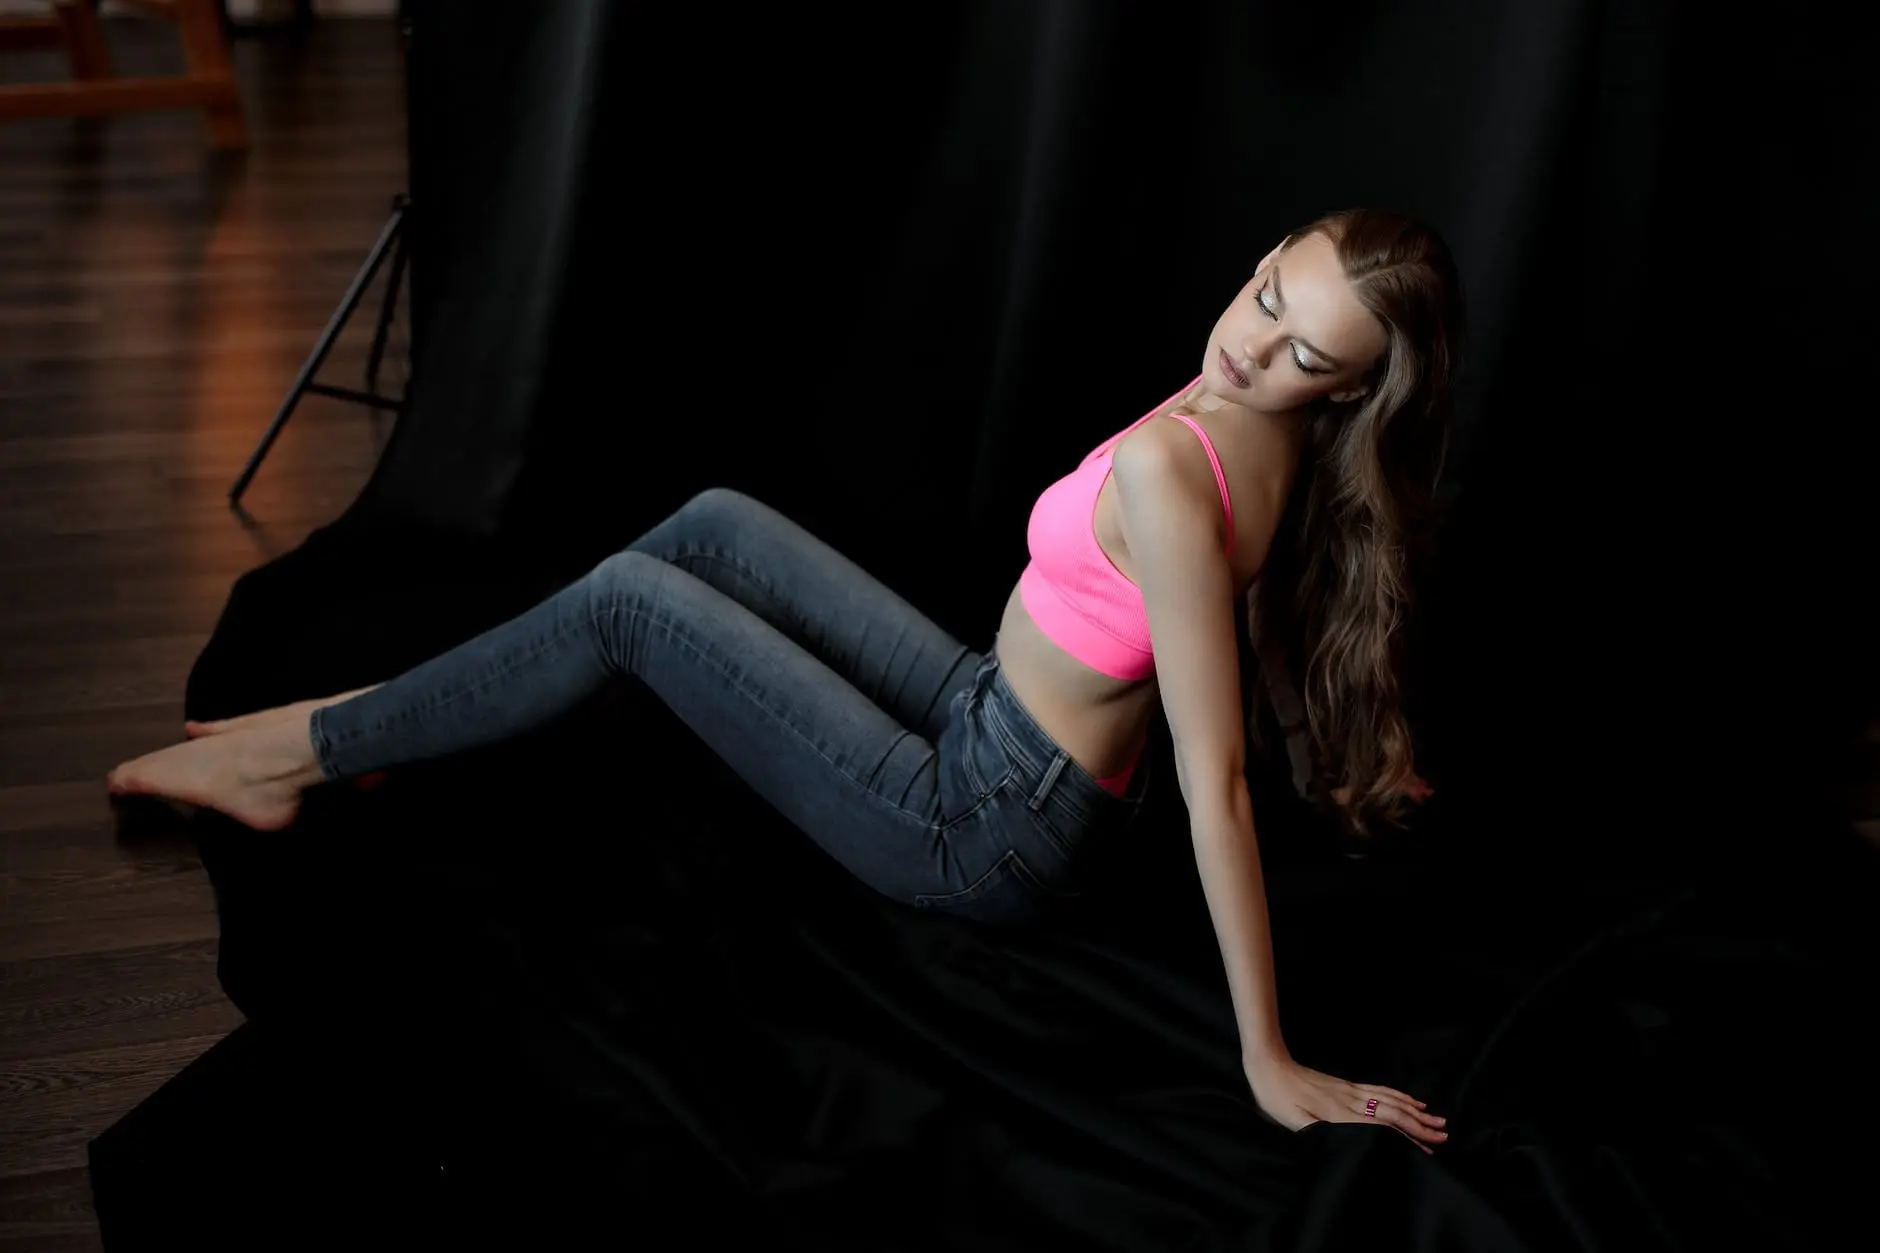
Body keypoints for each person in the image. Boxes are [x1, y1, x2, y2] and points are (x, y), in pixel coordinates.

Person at [107, 207, 1463, 1153]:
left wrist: (1267, 1057)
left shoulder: (1190, 469)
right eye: (1268, 296)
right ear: (1268, 264)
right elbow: (1265, 612)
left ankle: (298, 755)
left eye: (1304, 356)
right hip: (985, 711)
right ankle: (425, 708)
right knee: (710, 523)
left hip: (978, 822)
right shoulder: (1252, 414)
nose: (1255, 344)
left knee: (637, 603)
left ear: (1345, 393)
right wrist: (1334, 740)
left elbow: (1211, 780)